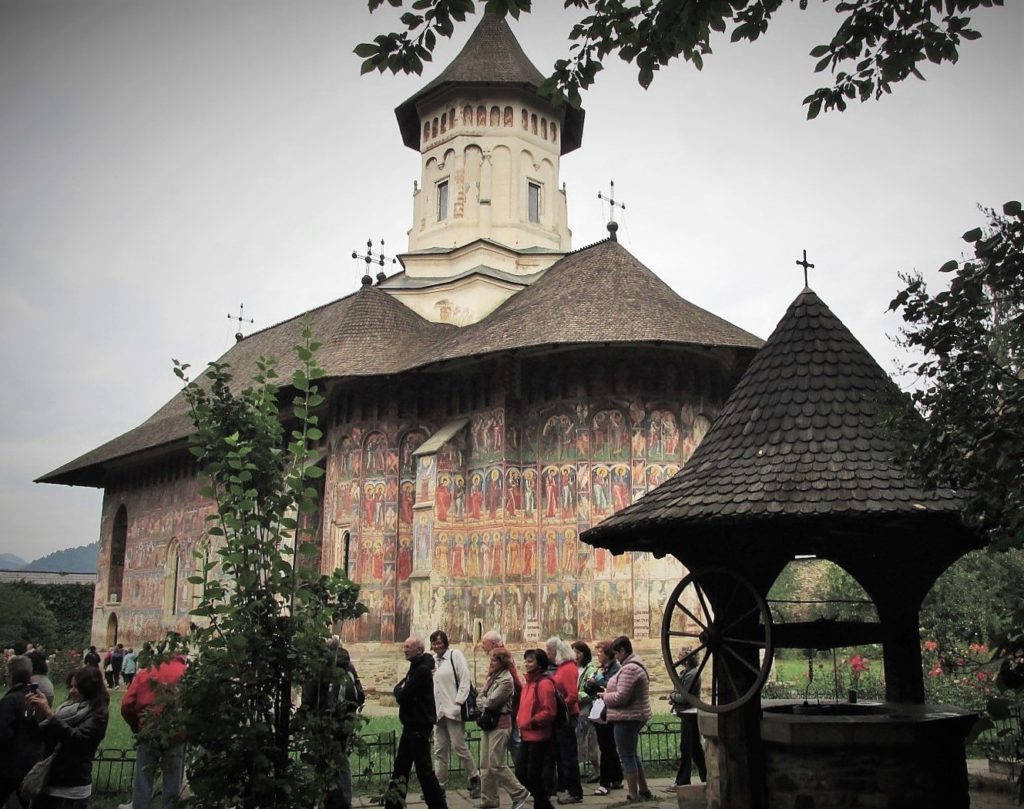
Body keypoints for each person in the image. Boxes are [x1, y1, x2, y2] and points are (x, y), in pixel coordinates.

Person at [24, 665, 110, 808]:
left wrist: (50, 714)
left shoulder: (98, 715)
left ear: (88, 688)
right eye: (70, 686)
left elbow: (77, 741)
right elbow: (37, 735)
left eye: (76, 687)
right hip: (48, 782)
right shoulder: (66, 710)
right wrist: (30, 713)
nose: (72, 691)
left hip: (72, 790)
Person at [300, 636, 365, 809]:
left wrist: (304, 720)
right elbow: (361, 696)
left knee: (323, 763)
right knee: (342, 760)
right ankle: (345, 799)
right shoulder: (348, 666)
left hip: (323, 723)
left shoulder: (318, 669)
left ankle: (328, 801)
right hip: (345, 724)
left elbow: (308, 698)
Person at [385, 637, 447, 809]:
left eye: (408, 647)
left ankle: (438, 805)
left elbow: (403, 694)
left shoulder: (421, 671)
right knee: (402, 768)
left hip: (418, 726)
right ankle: (393, 804)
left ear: (419, 650)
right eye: (404, 646)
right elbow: (400, 687)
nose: (404, 650)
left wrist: (399, 691)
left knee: (423, 771)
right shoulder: (416, 667)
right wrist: (400, 689)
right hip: (412, 725)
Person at [118, 653, 187, 809]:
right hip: (176, 732)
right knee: (173, 780)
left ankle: (140, 806)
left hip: (148, 730)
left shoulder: (146, 671)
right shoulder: (186, 673)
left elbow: (127, 703)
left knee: (143, 778)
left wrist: (137, 726)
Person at [475, 648, 529, 809]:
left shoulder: (506, 680)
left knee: (496, 763)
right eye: (490, 660)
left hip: (500, 724)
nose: (490, 663)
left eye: (494, 660)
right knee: (485, 764)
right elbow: (480, 696)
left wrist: (483, 702)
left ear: (502, 662)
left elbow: (491, 702)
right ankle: (489, 799)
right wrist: (483, 701)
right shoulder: (493, 677)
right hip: (488, 723)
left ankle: (519, 792)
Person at [430, 630, 480, 798]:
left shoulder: (455, 655)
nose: (437, 646)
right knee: (439, 749)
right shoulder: (433, 661)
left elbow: (465, 679)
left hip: (453, 709)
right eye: (434, 643)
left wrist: (458, 702)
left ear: (446, 642)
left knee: (459, 747)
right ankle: (439, 786)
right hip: (439, 711)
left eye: (440, 642)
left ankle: (475, 778)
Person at [601, 636, 653, 802]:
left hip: (628, 717)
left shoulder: (629, 669)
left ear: (623, 651)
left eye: (616, 654)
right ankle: (643, 790)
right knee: (632, 755)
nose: (615, 657)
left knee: (627, 757)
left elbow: (621, 697)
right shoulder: (635, 665)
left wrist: (605, 696)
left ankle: (633, 794)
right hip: (634, 715)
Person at [514, 649, 557, 809]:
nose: (526, 664)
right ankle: (542, 803)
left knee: (533, 774)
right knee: (521, 772)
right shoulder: (528, 684)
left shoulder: (544, 684)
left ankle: (542, 804)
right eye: (525, 660)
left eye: (530, 661)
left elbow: (549, 711)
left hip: (539, 736)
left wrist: (532, 722)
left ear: (540, 664)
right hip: (526, 735)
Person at [0, 655, 42, 807]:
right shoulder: (37, 698)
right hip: (33, 763)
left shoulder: (10, 700)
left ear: (10, 676)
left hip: (10, 766)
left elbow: (3, 733)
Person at [544, 637, 582, 804]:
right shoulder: (564, 667)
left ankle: (574, 792)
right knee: (559, 755)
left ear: (557, 652)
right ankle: (560, 787)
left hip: (566, 718)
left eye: (549, 651)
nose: (548, 655)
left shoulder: (567, 669)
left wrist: (558, 707)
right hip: (562, 718)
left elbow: (572, 696)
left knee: (568, 756)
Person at [583, 641, 623, 796]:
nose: (597, 655)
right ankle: (617, 778)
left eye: (600, 652)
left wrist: (598, 682)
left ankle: (604, 783)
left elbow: (613, 685)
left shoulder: (616, 668)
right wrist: (589, 684)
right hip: (600, 710)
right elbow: (590, 688)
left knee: (607, 748)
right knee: (608, 747)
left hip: (609, 710)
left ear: (608, 654)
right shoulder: (600, 668)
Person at [479, 631, 522, 762]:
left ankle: (522, 772)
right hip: (504, 705)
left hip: (506, 707)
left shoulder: (503, 659)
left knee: (514, 742)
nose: (482, 647)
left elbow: (515, 682)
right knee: (512, 742)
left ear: (492, 644)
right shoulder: (499, 658)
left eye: (484, 643)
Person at [669, 650, 706, 788]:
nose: (677, 659)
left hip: (690, 713)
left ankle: (682, 781)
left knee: (686, 748)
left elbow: (685, 697)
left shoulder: (692, 674)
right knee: (695, 749)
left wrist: (672, 697)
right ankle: (706, 777)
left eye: (679, 657)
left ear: (686, 660)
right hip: (688, 713)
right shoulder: (688, 673)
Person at [571, 641, 600, 783]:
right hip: (575, 709)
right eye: (573, 652)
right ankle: (579, 768)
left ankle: (597, 769)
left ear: (584, 654)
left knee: (590, 739)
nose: (575, 655)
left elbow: (590, 691)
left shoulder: (590, 669)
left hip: (586, 708)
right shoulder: (571, 669)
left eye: (578, 652)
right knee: (577, 739)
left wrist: (576, 695)